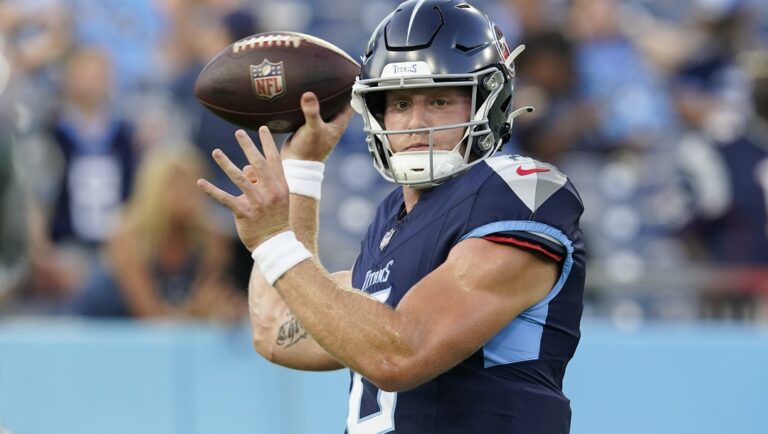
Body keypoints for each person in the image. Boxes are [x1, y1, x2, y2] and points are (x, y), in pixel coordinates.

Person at [197, 1, 585, 432]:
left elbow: (399, 353)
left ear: (489, 102)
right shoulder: (391, 219)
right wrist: (303, 171)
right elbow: (275, 329)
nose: (416, 123)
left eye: (439, 100)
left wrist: (275, 240)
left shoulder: (519, 190)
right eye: (399, 103)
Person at [72, 144, 245, 320]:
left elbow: (208, 302)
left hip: (175, 330)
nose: (191, 196)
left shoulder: (214, 235)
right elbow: (150, 314)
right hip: (105, 327)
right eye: (179, 186)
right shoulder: (126, 233)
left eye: (196, 186)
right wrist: (197, 311)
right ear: (155, 191)